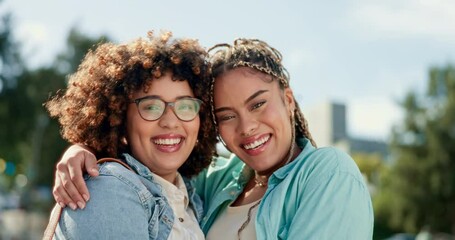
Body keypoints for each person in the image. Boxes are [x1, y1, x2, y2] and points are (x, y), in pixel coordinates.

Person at [52, 38, 374, 239]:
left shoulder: (328, 174)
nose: (247, 127)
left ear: (288, 100)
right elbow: (153, 162)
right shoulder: (217, 180)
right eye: (227, 116)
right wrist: (85, 149)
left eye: (258, 104)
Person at [44, 31, 217, 239]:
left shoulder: (190, 198)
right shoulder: (110, 190)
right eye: (151, 106)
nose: (170, 121)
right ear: (119, 118)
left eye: (186, 106)